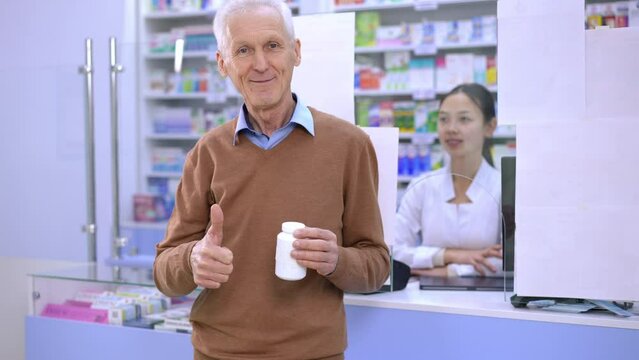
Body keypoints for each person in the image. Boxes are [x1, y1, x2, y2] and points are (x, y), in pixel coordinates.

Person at [153, 1, 391, 359]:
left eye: (273, 46)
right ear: (223, 63)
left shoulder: (349, 145)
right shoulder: (207, 153)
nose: (260, 64)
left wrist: (336, 260)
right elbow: (163, 270)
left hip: (314, 353)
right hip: (219, 353)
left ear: (295, 53)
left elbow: (376, 265)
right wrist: (192, 259)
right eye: (243, 51)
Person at [394, 83, 502, 278]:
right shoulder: (422, 186)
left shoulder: (503, 188)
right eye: (444, 119)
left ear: (490, 127)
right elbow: (395, 251)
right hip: (422, 302)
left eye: (464, 119)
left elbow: (506, 262)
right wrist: (452, 255)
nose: (451, 129)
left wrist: (448, 271)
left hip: (488, 305)